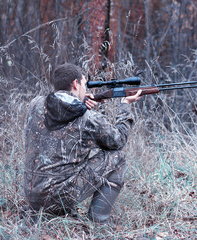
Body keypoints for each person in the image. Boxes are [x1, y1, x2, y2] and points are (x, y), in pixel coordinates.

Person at [23, 63, 141, 224]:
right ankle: (98, 223)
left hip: (32, 196)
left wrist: (78, 102)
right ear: (75, 84)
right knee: (117, 157)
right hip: (60, 199)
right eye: (84, 84)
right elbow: (118, 141)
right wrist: (125, 106)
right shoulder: (88, 118)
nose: (86, 90)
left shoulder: (35, 104)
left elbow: (58, 103)